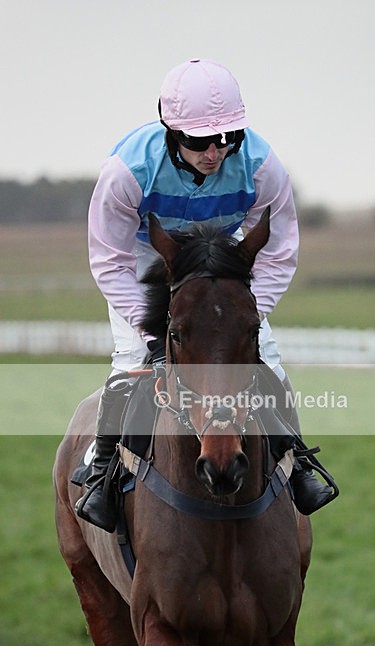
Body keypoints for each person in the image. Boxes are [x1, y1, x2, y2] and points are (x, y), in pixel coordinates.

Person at [76, 58, 334, 531]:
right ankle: (102, 471)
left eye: (227, 137)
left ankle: (297, 463)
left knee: (270, 361)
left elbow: (278, 253)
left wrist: (245, 320)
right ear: (171, 130)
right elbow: (109, 260)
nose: (215, 151)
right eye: (200, 140)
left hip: (220, 263)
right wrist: (151, 331)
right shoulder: (126, 172)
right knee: (131, 365)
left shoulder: (261, 164)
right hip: (143, 262)